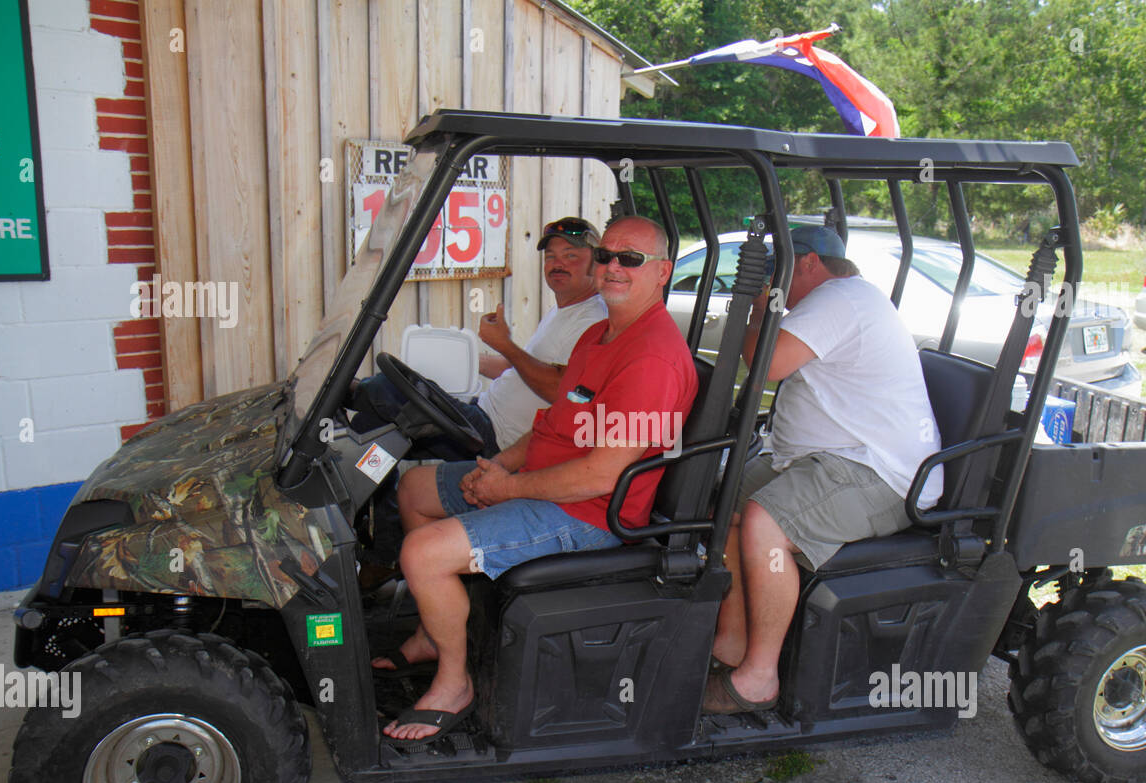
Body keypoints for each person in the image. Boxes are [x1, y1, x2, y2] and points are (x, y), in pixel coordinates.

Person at [375, 216, 699, 741]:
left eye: (630, 259)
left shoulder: (652, 358)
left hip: (590, 514)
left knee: (423, 553)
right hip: (543, 479)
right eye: (607, 255)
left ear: (662, 272)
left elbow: (600, 474)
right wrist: (501, 465)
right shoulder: (598, 334)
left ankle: (454, 684)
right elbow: (554, 422)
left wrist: (507, 488)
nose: (613, 267)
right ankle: (435, 633)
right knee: (413, 489)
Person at [704, 225, 944, 714]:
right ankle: (730, 643)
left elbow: (767, 363)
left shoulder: (841, 297)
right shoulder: (839, 299)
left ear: (809, 263)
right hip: (822, 458)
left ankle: (758, 677)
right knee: (718, 502)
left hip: (880, 473)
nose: (774, 280)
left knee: (763, 524)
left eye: (777, 269)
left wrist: (755, 307)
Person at [349, 216, 608, 457]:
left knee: (387, 389)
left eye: (571, 255)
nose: (557, 264)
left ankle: (349, 393)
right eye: (551, 256)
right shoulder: (564, 310)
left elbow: (562, 391)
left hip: (497, 440)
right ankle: (377, 506)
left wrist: (504, 344)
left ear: (596, 263)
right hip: (482, 410)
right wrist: (466, 360)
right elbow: (521, 368)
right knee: (372, 425)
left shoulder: (592, 320)